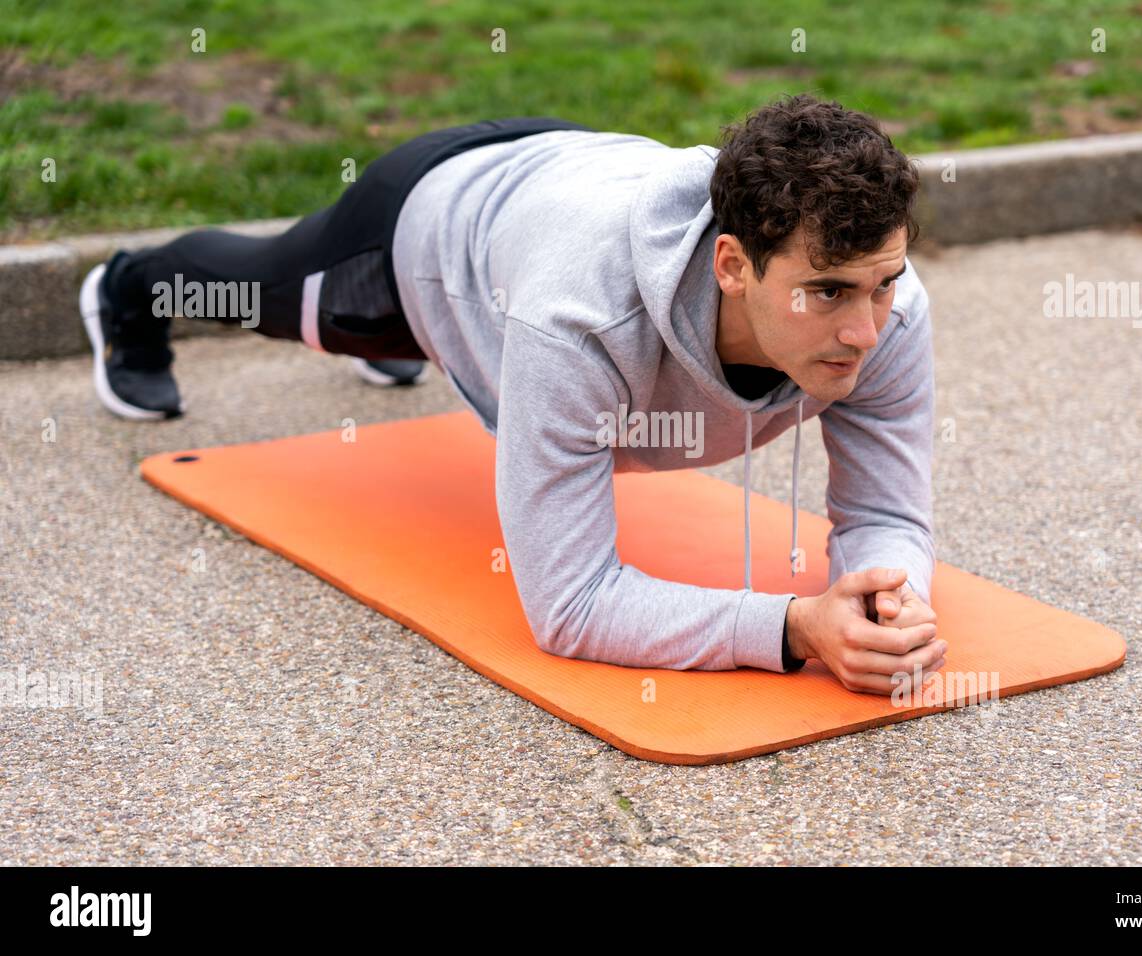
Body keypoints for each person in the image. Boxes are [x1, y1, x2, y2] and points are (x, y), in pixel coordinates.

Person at [80, 93, 944, 695]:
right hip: (426, 221)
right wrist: (795, 628)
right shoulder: (579, 318)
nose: (866, 329)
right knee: (267, 293)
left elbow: (888, 520)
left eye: (883, 284)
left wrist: (885, 603)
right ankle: (124, 288)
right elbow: (571, 607)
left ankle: (415, 349)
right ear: (732, 266)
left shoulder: (891, 312)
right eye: (826, 291)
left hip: (558, 183)